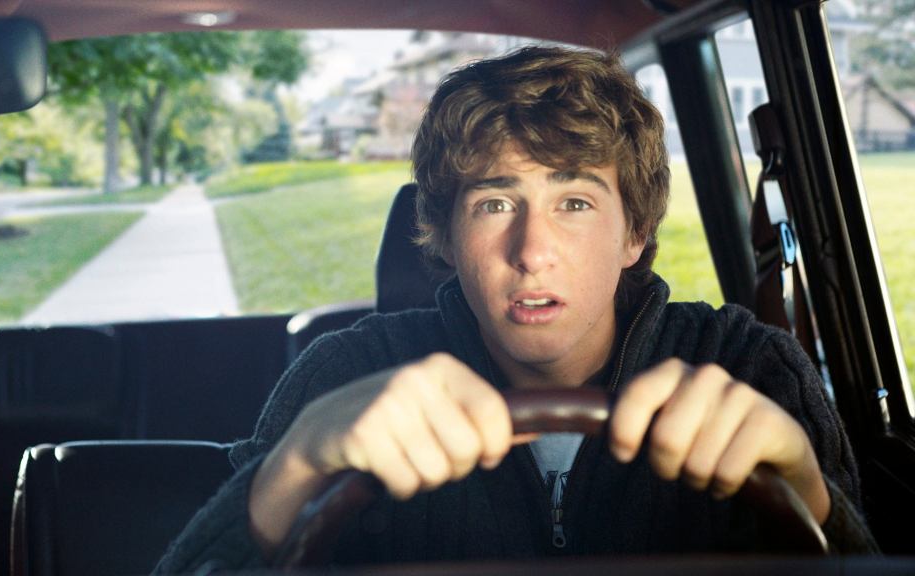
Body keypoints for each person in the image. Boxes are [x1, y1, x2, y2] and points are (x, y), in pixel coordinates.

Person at [154, 46, 876, 573]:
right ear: (443, 234)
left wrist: (812, 496)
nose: (533, 250)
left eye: (574, 202)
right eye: (495, 203)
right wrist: (295, 464)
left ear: (635, 233)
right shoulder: (343, 374)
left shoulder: (748, 367)